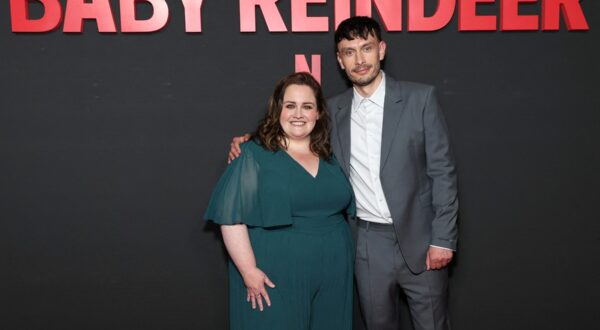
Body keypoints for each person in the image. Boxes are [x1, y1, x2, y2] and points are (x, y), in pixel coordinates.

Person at [228, 17, 458, 330]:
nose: (360, 60)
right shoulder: (332, 112)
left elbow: (442, 171)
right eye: (349, 52)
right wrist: (247, 141)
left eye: (366, 48)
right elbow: (293, 132)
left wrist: (443, 239)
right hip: (365, 243)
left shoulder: (420, 100)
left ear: (381, 50)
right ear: (340, 60)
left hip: (422, 241)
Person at [205, 72, 355, 330]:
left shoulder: (331, 155)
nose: (298, 114)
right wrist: (249, 271)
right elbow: (231, 218)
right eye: (290, 106)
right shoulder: (253, 154)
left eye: (307, 106)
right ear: (278, 110)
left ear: (318, 113)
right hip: (275, 272)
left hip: (334, 271)